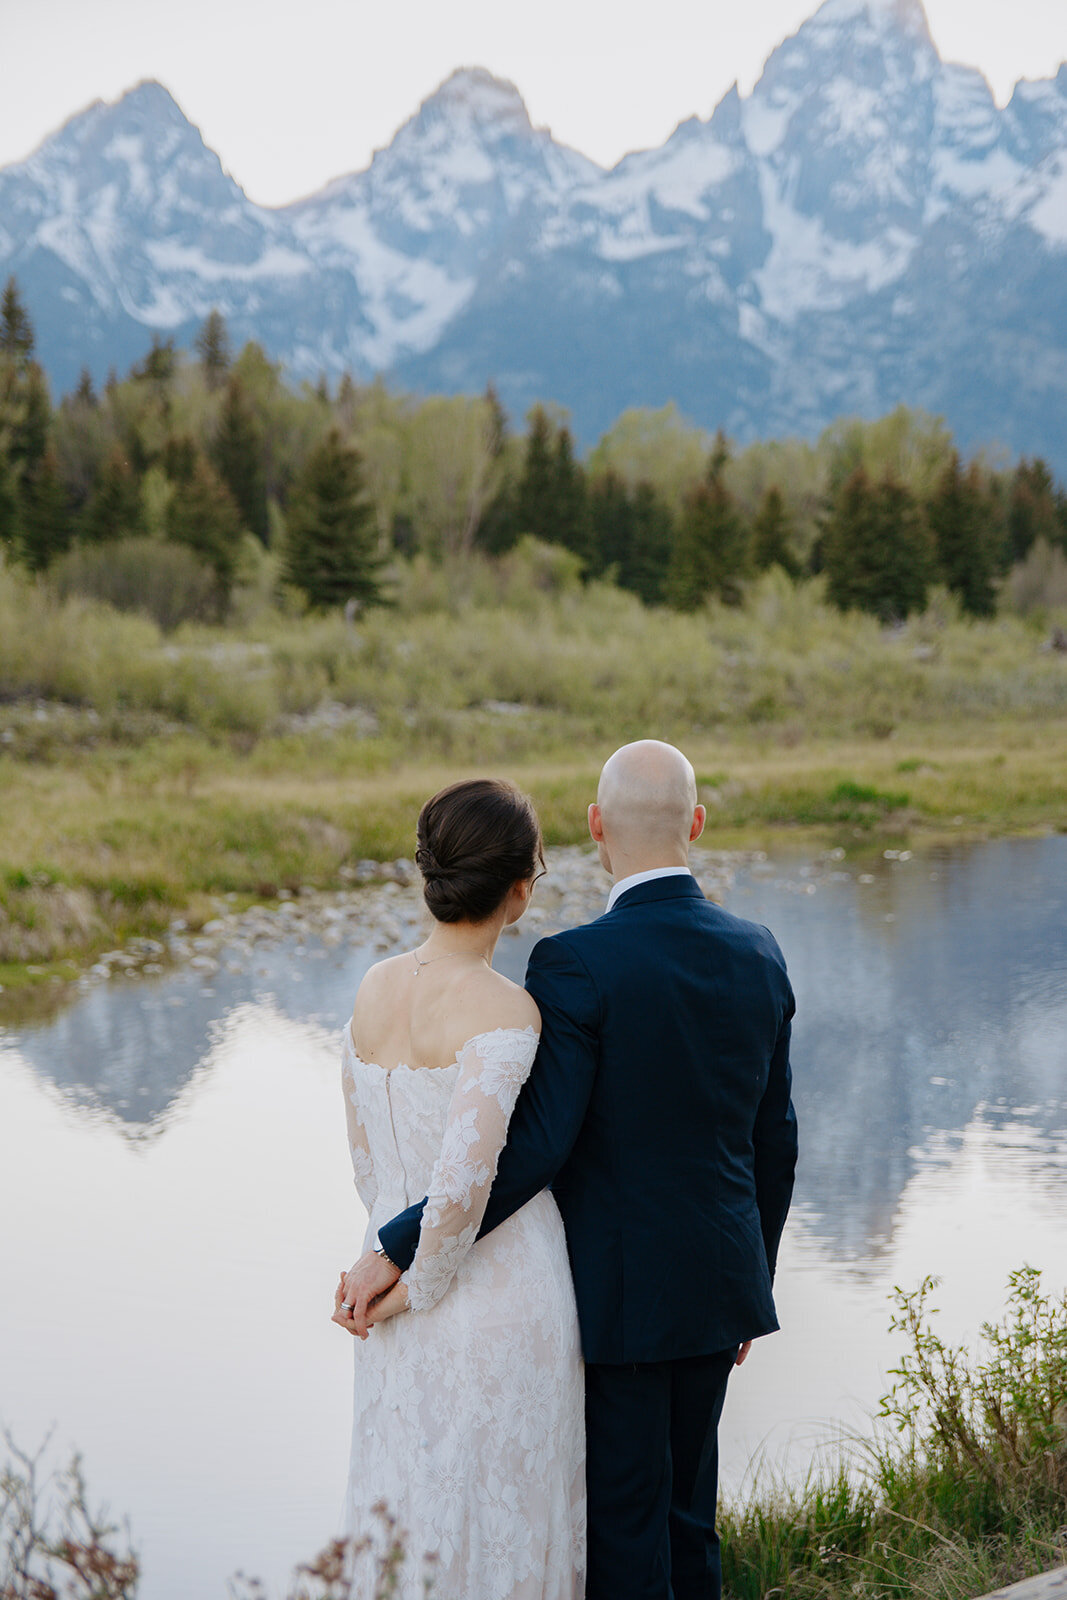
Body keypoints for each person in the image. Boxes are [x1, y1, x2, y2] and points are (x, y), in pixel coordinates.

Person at [340, 740, 799, 1600]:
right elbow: (775, 1139)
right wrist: (753, 1278)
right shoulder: (759, 949)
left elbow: (538, 1145)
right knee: (690, 1520)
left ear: (595, 828)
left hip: (617, 1294)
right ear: (695, 825)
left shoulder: (573, 963)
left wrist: (396, 1240)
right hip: (721, 1282)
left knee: (624, 1524)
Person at [332, 778, 585, 1599]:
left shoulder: (372, 986)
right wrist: (415, 1290)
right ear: (520, 888)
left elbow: (368, 1162)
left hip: (385, 1272)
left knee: (407, 1503)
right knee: (502, 1512)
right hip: (494, 1292)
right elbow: (464, 1187)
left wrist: (384, 1268)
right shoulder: (506, 1009)